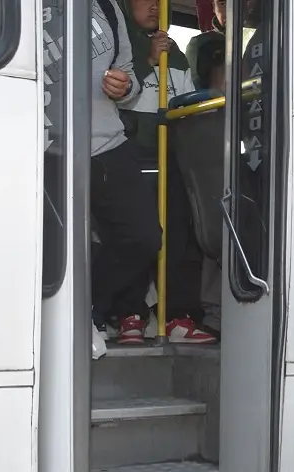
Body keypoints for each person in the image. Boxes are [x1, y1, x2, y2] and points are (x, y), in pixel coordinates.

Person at [43, 0, 160, 347]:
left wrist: (125, 88)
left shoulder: (107, 6)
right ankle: (62, 320)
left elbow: (129, 77)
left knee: (143, 238)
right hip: (46, 149)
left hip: (108, 145)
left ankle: (86, 308)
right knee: (50, 249)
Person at [120, 0, 218, 343]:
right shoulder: (122, 43)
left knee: (179, 238)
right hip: (136, 153)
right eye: (143, 0)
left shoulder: (174, 53)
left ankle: (175, 314)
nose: (153, 6)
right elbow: (119, 97)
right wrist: (148, 60)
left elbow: (186, 99)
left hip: (173, 155)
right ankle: (128, 312)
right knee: (139, 237)